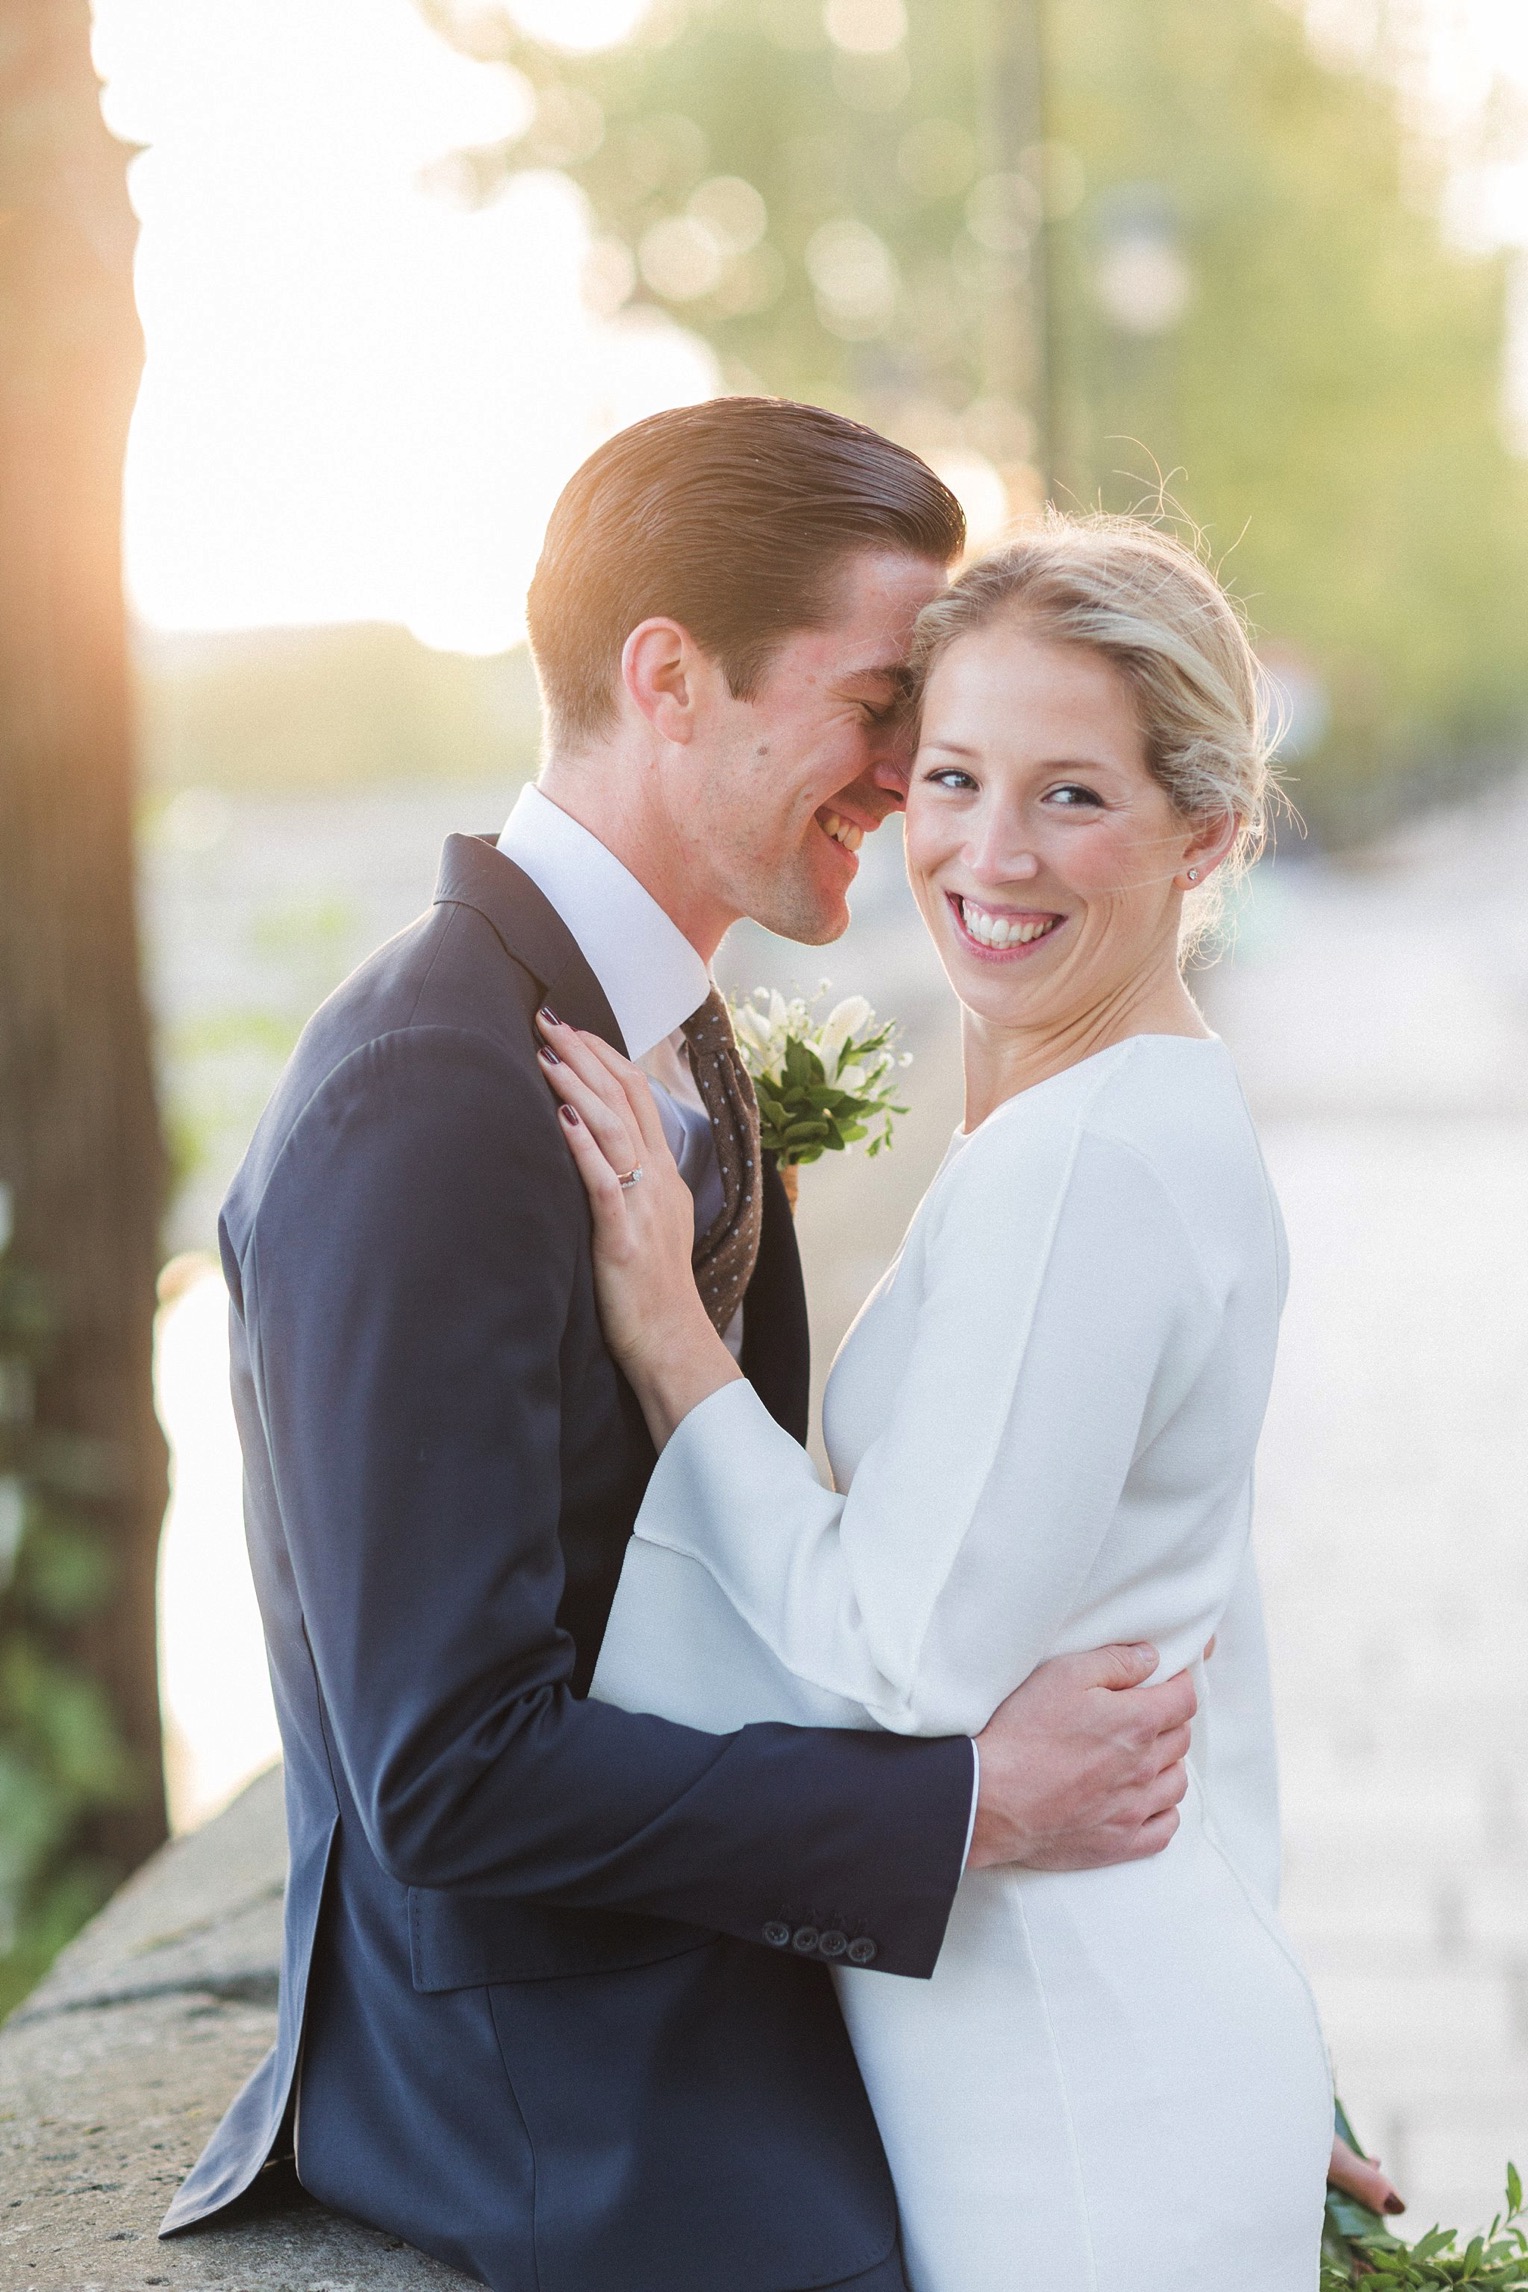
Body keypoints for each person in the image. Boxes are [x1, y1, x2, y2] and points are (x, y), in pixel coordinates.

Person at [160, 403, 1203, 2292]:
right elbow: (449, 1769)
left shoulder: (682, 1036)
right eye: (883, 704)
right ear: (670, 678)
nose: (912, 777)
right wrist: (969, 1810)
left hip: (727, 1931)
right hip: (545, 2058)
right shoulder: (427, 1093)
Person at [535, 514, 1384, 2290]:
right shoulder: (1168, 1115)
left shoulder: (1077, 1166)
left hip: (1075, 2104)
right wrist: (1260, 2011)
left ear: (1203, 832)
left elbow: (903, 1661)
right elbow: (1205, 1648)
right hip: (1126, 2044)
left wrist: (674, 1350)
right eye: (951, 775)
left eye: (1072, 795)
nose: (990, 854)